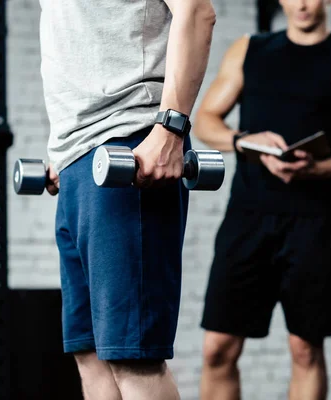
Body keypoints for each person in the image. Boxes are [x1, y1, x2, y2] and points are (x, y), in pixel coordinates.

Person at [193, 0, 331, 399]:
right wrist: (245, 141)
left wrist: (317, 170)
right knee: (217, 349)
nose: (302, 3)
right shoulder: (248, 49)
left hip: (312, 223)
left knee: (305, 349)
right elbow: (204, 121)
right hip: (247, 216)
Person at [36, 1, 216, 399]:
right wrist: (63, 153)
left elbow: (197, 11)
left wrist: (170, 128)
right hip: (75, 160)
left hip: (129, 149)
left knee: (134, 360)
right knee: (92, 354)